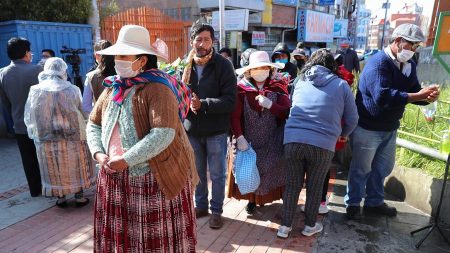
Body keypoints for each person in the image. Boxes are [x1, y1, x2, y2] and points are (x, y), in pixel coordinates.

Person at [86, 25, 198, 252]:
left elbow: (163, 133)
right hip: (113, 176)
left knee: (149, 238)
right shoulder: (112, 89)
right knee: (124, 237)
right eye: (117, 56)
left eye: (124, 56)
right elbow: (93, 123)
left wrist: (126, 159)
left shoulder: (157, 89)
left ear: (142, 60)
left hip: (150, 179)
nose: (118, 61)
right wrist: (98, 153)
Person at [344, 24, 440, 220]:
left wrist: (427, 96)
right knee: (361, 169)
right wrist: (416, 96)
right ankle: (353, 203)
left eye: (416, 47)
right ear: (398, 42)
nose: (413, 50)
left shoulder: (409, 64)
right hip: (367, 127)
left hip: (389, 127)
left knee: (382, 168)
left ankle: (374, 202)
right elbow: (382, 97)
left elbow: (413, 90)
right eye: (411, 45)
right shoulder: (378, 63)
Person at [277, 49, 358, 238]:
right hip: (323, 144)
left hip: (293, 140)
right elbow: (353, 118)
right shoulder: (341, 85)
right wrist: (343, 134)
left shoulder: (299, 81)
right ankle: (309, 226)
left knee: (292, 185)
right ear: (333, 66)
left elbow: (291, 106)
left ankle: (284, 227)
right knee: (315, 186)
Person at [182, 22, 236, 229]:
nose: (202, 43)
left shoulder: (223, 65)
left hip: (216, 130)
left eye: (206, 39)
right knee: (196, 173)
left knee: (217, 174)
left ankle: (216, 211)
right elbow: (180, 93)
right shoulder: (186, 66)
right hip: (192, 129)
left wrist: (203, 104)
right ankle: (201, 206)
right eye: (198, 39)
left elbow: (230, 100)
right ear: (192, 41)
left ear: (212, 41)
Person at [24, 57, 96, 207]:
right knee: (75, 165)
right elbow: (82, 111)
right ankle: (79, 196)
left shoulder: (36, 90)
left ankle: (61, 197)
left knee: (54, 166)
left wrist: (34, 132)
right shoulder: (72, 89)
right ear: (63, 70)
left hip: (46, 137)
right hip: (72, 135)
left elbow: (31, 115)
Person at [228, 51, 290, 214]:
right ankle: (252, 200)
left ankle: (272, 198)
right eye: (256, 68)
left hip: (273, 138)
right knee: (250, 169)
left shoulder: (278, 87)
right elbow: (234, 117)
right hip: (249, 139)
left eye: (264, 67)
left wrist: (271, 105)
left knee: (274, 166)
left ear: (270, 69)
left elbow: (286, 113)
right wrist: (239, 137)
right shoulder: (241, 89)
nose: (260, 71)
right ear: (249, 71)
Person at [0, 37, 42, 197]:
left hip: (19, 124)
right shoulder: (37, 70)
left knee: (27, 159)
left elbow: (5, 102)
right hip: (39, 123)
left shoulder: (2, 74)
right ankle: (48, 187)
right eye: (29, 51)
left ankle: (34, 190)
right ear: (26, 53)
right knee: (43, 158)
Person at [82, 40, 116, 113]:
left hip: (101, 121)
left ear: (97, 55)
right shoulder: (123, 73)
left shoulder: (91, 76)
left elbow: (86, 106)